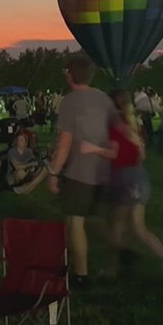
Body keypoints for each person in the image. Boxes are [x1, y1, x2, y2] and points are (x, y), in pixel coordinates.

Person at [83, 90, 163, 276]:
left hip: (123, 179)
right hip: (139, 178)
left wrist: (92, 149)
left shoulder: (113, 126)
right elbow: (142, 154)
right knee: (138, 228)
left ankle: (111, 268)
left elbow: (113, 153)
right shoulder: (132, 123)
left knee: (116, 227)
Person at [47, 53, 117, 287]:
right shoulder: (104, 99)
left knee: (75, 221)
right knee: (97, 220)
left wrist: (54, 173)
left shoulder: (71, 101)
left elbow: (64, 143)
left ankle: (81, 274)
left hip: (80, 172)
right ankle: (117, 258)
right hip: (104, 170)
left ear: (70, 75)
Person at [6, 129, 47, 194]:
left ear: (26, 142)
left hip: (26, 172)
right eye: (18, 140)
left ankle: (28, 186)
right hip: (14, 177)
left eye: (21, 140)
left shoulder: (28, 151)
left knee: (41, 169)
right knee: (20, 172)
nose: (19, 142)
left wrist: (33, 164)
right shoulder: (12, 151)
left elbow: (34, 162)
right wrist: (29, 164)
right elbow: (17, 167)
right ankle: (17, 187)